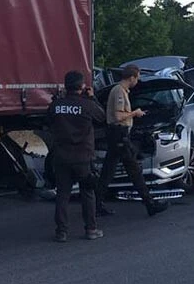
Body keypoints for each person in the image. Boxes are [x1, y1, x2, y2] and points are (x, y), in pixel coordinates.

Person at [96, 65, 167, 217]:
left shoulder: (120, 91)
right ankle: (149, 204)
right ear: (132, 78)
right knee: (134, 170)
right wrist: (135, 113)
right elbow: (118, 116)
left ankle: (96, 203)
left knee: (108, 171)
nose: (138, 81)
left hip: (117, 135)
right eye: (137, 78)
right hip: (119, 134)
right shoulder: (119, 91)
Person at [48, 71, 106, 243]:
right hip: (83, 157)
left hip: (61, 156)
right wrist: (92, 98)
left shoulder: (56, 105)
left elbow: (49, 121)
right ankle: (91, 229)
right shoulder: (87, 105)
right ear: (81, 86)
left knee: (63, 195)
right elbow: (102, 117)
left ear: (66, 86)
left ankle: (61, 232)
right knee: (87, 193)